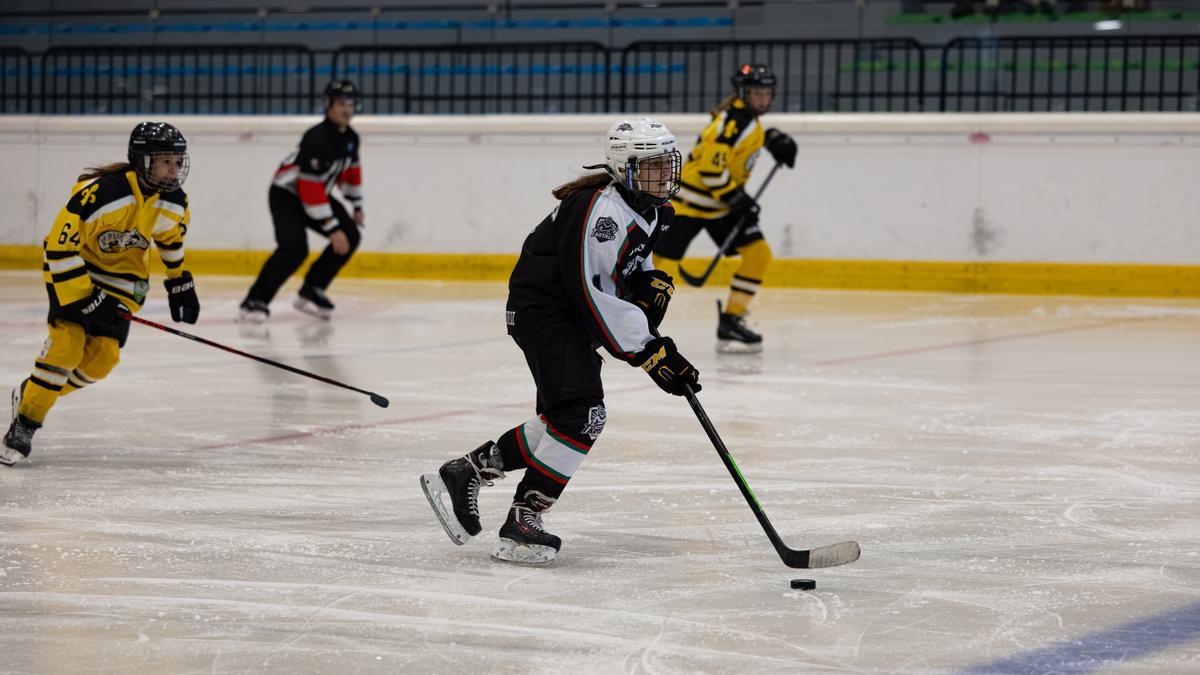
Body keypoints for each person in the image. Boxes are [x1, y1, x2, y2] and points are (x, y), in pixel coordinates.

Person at [420, 118, 702, 565]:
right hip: (546, 315)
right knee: (583, 416)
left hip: (567, 317)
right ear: (624, 168)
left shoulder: (647, 209)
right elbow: (590, 292)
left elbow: (629, 268)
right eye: (651, 167)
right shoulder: (601, 213)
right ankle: (523, 518)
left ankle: (468, 470)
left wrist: (648, 286)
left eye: (667, 164)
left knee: (564, 418)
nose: (663, 175)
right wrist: (651, 351)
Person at [3, 122, 200, 467]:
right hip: (75, 271)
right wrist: (87, 298)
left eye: (178, 160)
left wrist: (179, 281)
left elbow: (170, 239)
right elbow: (60, 249)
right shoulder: (102, 194)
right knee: (67, 346)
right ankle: (26, 421)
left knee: (101, 361)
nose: (175, 169)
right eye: (166, 161)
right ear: (143, 161)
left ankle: (32, 390)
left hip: (122, 283)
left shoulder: (173, 201)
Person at [651, 63, 797, 353]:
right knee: (657, 265)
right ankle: (635, 316)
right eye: (755, 93)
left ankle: (731, 319)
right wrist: (737, 199)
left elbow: (733, 148)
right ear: (742, 93)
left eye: (766, 93)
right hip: (689, 205)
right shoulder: (735, 122)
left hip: (718, 204)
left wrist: (769, 138)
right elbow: (709, 169)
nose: (761, 99)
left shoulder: (747, 122)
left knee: (757, 255)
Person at [239, 80, 365, 322]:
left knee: (351, 236)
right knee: (294, 249)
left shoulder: (351, 138)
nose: (347, 109)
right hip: (286, 195)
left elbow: (351, 173)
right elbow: (309, 190)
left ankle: (312, 289)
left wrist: (357, 206)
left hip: (314, 194)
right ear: (328, 105)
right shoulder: (316, 139)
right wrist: (332, 228)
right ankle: (255, 301)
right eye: (341, 103)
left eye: (351, 104)